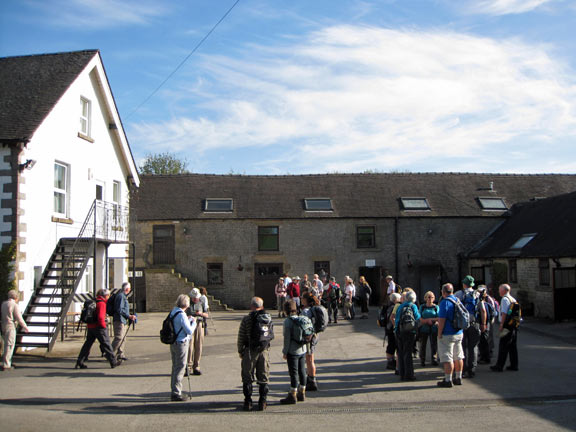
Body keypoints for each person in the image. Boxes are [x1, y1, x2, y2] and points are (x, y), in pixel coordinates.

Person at [237, 297, 273, 411]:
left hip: (250, 350)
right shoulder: (268, 318)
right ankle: (263, 401)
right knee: (263, 376)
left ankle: (248, 401)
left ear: (251, 306)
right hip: (263, 350)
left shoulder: (247, 319)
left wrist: (240, 350)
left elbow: (241, 336)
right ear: (261, 306)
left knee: (247, 376)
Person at [76, 288, 119, 369]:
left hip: (90, 326)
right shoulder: (101, 303)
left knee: (87, 344)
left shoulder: (94, 301)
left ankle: (80, 361)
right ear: (105, 296)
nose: (109, 297)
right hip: (99, 327)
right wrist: (103, 326)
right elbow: (100, 317)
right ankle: (113, 362)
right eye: (108, 295)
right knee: (106, 344)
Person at [168, 294, 196, 401]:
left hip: (173, 342)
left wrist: (187, 319)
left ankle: (174, 389)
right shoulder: (182, 315)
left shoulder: (174, 312)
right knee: (180, 367)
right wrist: (193, 323)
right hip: (181, 343)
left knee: (175, 366)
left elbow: (178, 324)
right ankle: (176, 392)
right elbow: (189, 330)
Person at [436, 283, 464, 388]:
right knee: (458, 356)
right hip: (459, 332)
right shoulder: (457, 300)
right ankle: (458, 377)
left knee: (448, 357)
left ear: (443, 292)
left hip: (447, 333)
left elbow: (442, 320)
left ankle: (448, 380)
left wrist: (439, 333)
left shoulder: (444, 302)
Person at [280, 300, 307, 404]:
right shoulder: (301, 318)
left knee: (293, 373)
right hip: (302, 349)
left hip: (292, 351)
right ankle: (302, 392)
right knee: (302, 371)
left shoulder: (287, 321)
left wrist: (285, 352)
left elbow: (287, 339)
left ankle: (293, 394)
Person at [394, 289, 425, 381]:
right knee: (408, 353)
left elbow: (397, 319)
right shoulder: (413, 306)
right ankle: (409, 374)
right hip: (410, 332)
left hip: (399, 331)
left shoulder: (400, 306)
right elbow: (418, 318)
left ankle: (402, 373)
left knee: (401, 352)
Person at [455, 275, 481, 378]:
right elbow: (482, 310)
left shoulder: (458, 294)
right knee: (473, 346)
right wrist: (483, 324)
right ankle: (472, 369)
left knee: (462, 346)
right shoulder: (477, 294)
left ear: (464, 284)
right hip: (474, 323)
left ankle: (463, 368)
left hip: (462, 324)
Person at [491, 284, 519, 372]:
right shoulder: (513, 299)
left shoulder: (504, 299)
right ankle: (514, 365)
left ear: (504, 290)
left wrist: (501, 324)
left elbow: (504, 313)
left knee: (503, 345)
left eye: (500, 290)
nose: (499, 291)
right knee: (512, 346)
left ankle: (499, 366)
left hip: (507, 325)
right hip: (513, 325)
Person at [1, 290, 29, 371]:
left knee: (6, 344)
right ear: (16, 297)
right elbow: (19, 318)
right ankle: (6, 364)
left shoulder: (4, 304)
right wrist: (25, 326)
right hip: (11, 326)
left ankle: (6, 361)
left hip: (3, 325)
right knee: (10, 345)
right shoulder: (14, 305)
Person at [186, 288, 209, 376]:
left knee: (198, 346)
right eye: (194, 298)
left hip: (199, 324)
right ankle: (188, 367)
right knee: (190, 346)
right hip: (190, 324)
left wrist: (200, 314)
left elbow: (206, 315)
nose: (195, 299)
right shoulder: (188, 304)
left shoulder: (201, 303)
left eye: (196, 298)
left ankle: (197, 366)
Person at [111, 282, 135, 362]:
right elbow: (119, 309)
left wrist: (129, 315)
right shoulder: (121, 296)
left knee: (123, 338)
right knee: (119, 337)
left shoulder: (123, 296)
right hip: (119, 320)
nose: (130, 290)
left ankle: (120, 354)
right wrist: (129, 316)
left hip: (123, 320)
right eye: (130, 288)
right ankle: (110, 353)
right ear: (127, 289)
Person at [301, 293, 320, 391]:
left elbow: (304, 324)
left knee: (309, 359)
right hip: (315, 335)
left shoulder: (306, 311)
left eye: (302, 298)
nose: (301, 299)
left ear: (306, 300)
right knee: (310, 358)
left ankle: (312, 381)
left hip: (309, 336)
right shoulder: (313, 309)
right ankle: (310, 378)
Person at [418, 291, 439, 367]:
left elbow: (439, 317)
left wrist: (431, 320)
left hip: (433, 328)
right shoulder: (422, 307)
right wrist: (426, 321)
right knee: (423, 344)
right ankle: (422, 359)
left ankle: (434, 359)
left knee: (434, 344)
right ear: (425, 298)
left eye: (432, 297)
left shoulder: (436, 307)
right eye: (429, 297)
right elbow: (419, 317)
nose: (430, 299)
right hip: (424, 328)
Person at [382, 292, 401, 370]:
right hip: (391, 328)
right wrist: (396, 326)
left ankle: (391, 361)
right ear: (396, 299)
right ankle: (390, 362)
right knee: (392, 345)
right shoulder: (393, 307)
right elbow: (391, 318)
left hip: (388, 328)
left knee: (391, 345)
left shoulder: (387, 306)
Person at [477, 286, 491, 364]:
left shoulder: (482, 302)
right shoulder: (485, 302)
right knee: (483, 341)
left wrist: (483, 323)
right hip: (486, 323)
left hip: (484, 324)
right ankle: (484, 356)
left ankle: (485, 358)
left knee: (483, 341)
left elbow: (483, 312)